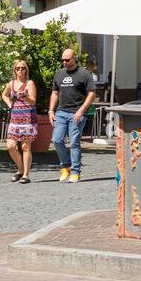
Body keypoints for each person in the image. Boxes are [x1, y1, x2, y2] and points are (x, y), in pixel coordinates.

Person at [49, 48, 94, 183]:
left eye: (67, 60)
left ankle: (75, 171)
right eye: (63, 60)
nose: (64, 62)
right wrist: (51, 110)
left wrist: (81, 111)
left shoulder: (84, 74)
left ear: (74, 58)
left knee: (74, 142)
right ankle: (66, 166)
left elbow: (91, 94)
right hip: (61, 112)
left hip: (77, 113)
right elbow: (55, 93)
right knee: (57, 140)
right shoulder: (59, 74)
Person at [2, 60, 38, 184]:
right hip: (15, 119)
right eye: (18, 68)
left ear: (26, 70)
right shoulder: (11, 84)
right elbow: (4, 95)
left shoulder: (30, 83)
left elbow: (33, 101)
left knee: (25, 147)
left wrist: (25, 96)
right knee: (10, 146)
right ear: (15, 70)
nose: (20, 70)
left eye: (23, 68)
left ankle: (26, 175)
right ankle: (21, 169)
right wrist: (9, 104)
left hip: (28, 118)